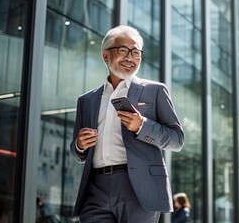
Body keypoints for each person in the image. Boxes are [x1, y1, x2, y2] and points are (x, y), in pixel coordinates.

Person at [69, 25, 184, 223]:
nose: (130, 58)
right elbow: (77, 152)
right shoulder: (86, 100)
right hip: (95, 188)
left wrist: (142, 125)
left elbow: (177, 140)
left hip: (139, 188)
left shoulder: (155, 91)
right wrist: (80, 144)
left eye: (136, 52)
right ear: (106, 55)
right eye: (123, 51)